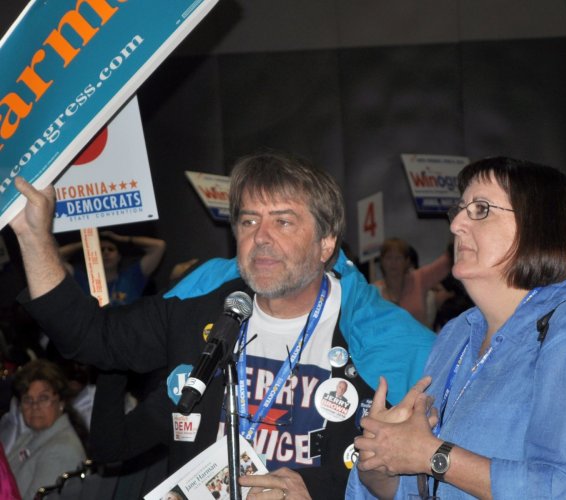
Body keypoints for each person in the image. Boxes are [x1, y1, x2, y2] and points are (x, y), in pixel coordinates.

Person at [9, 151, 436, 499]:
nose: (261, 236)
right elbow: (89, 337)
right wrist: (32, 235)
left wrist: (317, 493)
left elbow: (426, 476)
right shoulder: (205, 300)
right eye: (249, 221)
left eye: (283, 221)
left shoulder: (383, 337)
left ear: (326, 243)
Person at [348, 157, 566, 499]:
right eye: (459, 210)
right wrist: (380, 458)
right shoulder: (457, 334)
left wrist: (433, 454)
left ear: (537, 227)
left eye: (480, 209)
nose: (456, 224)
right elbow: (417, 485)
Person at [7, 359, 86, 499]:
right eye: (27, 399)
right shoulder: (30, 436)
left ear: (61, 402)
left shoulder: (62, 450)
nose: (34, 406)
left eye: (43, 398)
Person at [59, 229, 166, 306]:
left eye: (111, 249)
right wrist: (88, 242)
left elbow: (159, 246)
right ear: (92, 256)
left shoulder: (132, 276)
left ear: (119, 257)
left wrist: (122, 239)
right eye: (100, 250)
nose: (106, 253)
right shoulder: (80, 279)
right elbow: (55, 256)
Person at [374, 238, 451, 326]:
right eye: (389, 258)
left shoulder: (419, 279)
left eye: (398, 258)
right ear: (381, 261)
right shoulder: (374, 292)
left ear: (407, 261)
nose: (393, 262)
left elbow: (446, 261)